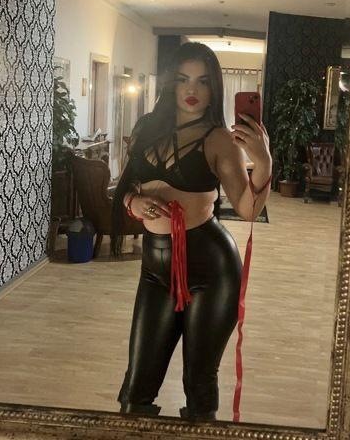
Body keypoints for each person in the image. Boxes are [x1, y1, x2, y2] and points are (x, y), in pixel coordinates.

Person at [112, 42, 272, 421]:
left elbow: (248, 208)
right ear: (170, 82)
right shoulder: (146, 128)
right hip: (155, 269)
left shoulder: (219, 140)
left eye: (203, 81)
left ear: (215, 87)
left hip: (210, 270)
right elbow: (126, 187)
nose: (192, 89)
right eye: (183, 79)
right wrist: (134, 203)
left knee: (199, 383)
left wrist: (264, 162)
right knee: (136, 387)